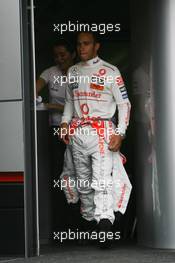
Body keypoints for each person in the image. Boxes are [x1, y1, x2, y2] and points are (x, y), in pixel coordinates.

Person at [61, 32, 132, 246]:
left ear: (96, 46)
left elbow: (124, 105)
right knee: (83, 183)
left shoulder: (111, 71)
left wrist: (120, 133)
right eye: (79, 44)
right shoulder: (72, 71)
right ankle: (91, 223)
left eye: (87, 44)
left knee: (101, 181)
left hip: (103, 132)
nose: (82, 48)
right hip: (78, 132)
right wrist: (65, 123)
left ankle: (104, 226)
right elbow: (68, 103)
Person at [36, 39, 76, 232]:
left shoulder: (79, 73)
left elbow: (79, 107)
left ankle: (80, 224)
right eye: (56, 55)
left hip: (77, 130)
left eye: (63, 55)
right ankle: (61, 224)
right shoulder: (49, 72)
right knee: (58, 175)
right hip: (55, 130)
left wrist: (52, 106)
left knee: (78, 175)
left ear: (73, 54)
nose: (60, 59)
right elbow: (31, 91)